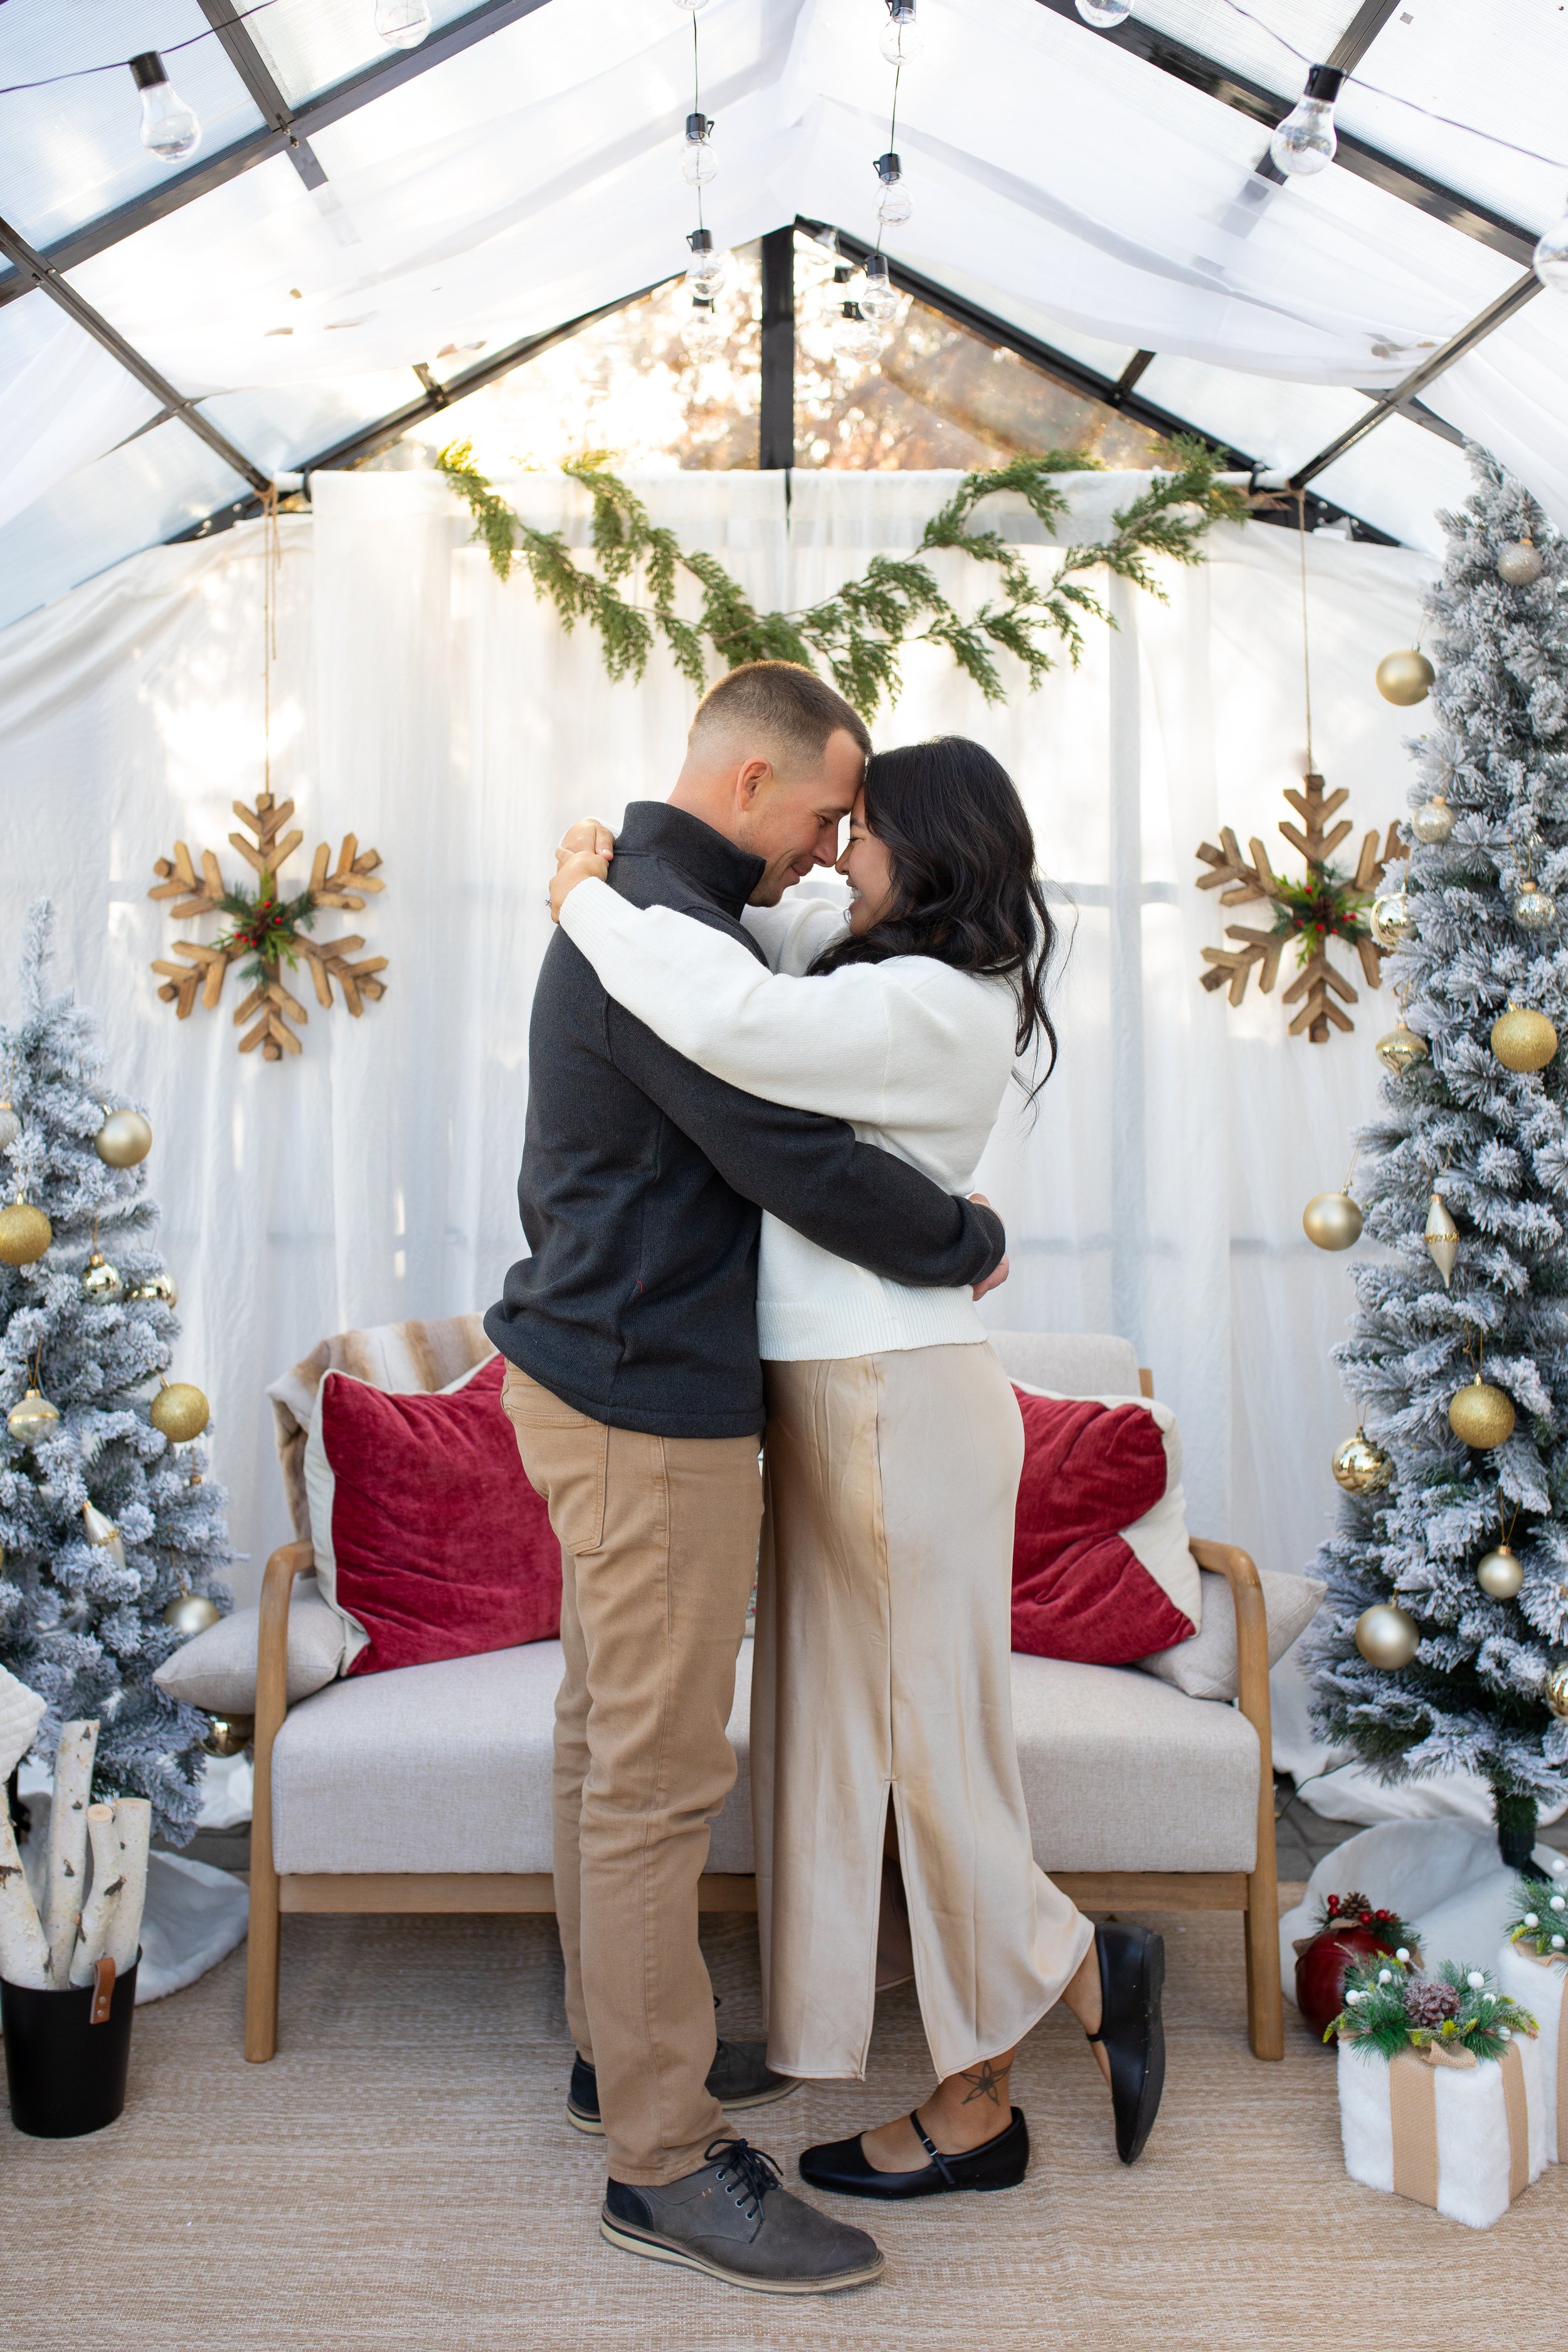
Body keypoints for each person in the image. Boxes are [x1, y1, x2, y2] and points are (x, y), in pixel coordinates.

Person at [548, 733, 1166, 2201]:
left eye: (861, 831)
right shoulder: (874, 963)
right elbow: (758, 932)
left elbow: (731, 1018)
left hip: (893, 1397)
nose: (835, 854)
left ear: (928, 851)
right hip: (849, 1394)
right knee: (856, 1744)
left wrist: (581, 899)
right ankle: (967, 2065)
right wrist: (669, 869)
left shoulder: (922, 1003)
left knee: (927, 1755)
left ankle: (1031, 2037)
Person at [487, 665, 1010, 2296]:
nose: (831, 841)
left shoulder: (651, 909)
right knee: (651, 1772)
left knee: (603, 1737)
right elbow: (779, 1145)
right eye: (824, 810)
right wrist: (961, 1235)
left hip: (593, 1369)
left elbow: (780, 1028)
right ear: (751, 781)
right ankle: (660, 2153)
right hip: (645, 1397)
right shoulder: (660, 932)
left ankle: (610, 2051)